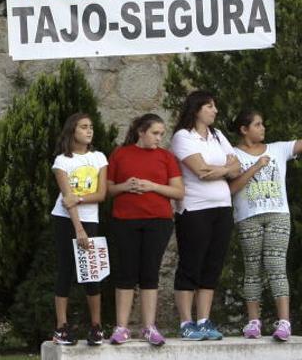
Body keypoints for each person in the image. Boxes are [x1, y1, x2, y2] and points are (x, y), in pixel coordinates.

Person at [106, 114, 185, 347]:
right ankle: (121, 327)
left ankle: (148, 327)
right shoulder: (120, 153)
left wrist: (152, 186)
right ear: (141, 132)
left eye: (162, 134)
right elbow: (108, 190)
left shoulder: (166, 157)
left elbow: (179, 192)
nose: (159, 138)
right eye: (155, 133)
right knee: (126, 273)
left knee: (150, 273)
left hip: (158, 221)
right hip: (125, 220)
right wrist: (126, 186)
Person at [170, 90, 241, 341]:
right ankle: (186, 322)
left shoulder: (218, 135)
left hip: (222, 206)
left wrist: (219, 169)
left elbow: (237, 167)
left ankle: (203, 320)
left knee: (212, 265)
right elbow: (201, 171)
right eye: (210, 106)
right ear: (197, 109)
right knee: (191, 264)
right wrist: (225, 168)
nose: (215, 111)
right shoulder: (183, 136)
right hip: (194, 208)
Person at [229, 110, 302, 341]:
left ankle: (284, 323)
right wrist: (256, 166)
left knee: (275, 265)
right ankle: (253, 323)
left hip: (278, 214)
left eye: (263, 124)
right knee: (252, 269)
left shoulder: (278, 149)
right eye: (258, 125)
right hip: (248, 216)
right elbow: (231, 188)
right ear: (244, 129)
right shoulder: (232, 154)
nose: (263, 128)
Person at [50, 113, 108, 346]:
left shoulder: (99, 158)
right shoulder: (62, 161)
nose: (89, 131)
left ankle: (96, 327)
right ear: (72, 130)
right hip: (65, 220)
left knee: (91, 274)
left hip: (90, 219)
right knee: (66, 271)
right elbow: (67, 199)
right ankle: (61, 327)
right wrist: (79, 229)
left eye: (91, 127)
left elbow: (101, 194)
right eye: (84, 127)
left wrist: (79, 199)